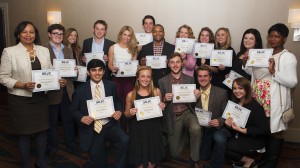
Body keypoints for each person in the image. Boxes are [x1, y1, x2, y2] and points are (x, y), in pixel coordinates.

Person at [243, 23, 298, 168]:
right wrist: (246, 63)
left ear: (284, 38)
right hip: (259, 98)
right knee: (264, 129)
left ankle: (271, 163)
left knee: (276, 132)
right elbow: (255, 74)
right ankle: (264, 158)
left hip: (274, 101)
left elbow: (292, 82)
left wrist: (274, 72)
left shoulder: (288, 57)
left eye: (277, 36)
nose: (273, 39)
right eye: (271, 36)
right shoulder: (263, 53)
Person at [0, 21, 52, 168]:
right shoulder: (9, 52)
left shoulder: (43, 50)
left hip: (41, 97)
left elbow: (49, 71)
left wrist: (56, 80)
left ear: (35, 34)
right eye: (24, 32)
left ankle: (41, 161)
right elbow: (3, 77)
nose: (28, 35)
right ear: (18, 34)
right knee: (24, 133)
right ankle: (25, 163)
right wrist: (22, 85)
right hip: (20, 100)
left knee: (43, 131)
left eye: (31, 32)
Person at [71, 59, 128, 168]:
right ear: (88, 72)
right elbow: (73, 110)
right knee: (98, 161)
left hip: (109, 124)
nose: (97, 73)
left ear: (104, 71)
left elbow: (118, 102)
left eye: (100, 70)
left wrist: (119, 111)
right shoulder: (80, 90)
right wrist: (81, 117)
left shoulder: (111, 85)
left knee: (125, 140)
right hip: (93, 128)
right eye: (94, 70)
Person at [158, 52, 201, 168]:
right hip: (172, 114)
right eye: (172, 62)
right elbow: (159, 103)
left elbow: (194, 101)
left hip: (186, 112)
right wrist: (164, 99)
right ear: (168, 64)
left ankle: (195, 159)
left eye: (177, 62)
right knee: (175, 153)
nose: (175, 65)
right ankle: (186, 136)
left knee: (196, 128)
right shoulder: (162, 81)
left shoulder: (190, 79)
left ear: (182, 64)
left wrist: (197, 96)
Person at [45, 23, 77, 159]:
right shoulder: (43, 50)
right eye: (55, 33)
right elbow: (42, 71)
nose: (58, 36)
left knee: (68, 119)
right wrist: (57, 79)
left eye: (60, 34)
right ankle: (53, 147)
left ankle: (71, 144)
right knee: (51, 121)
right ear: (49, 34)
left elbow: (71, 70)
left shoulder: (68, 50)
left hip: (67, 89)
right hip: (52, 90)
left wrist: (73, 71)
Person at [124, 66, 166, 168]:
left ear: (151, 78)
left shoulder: (156, 92)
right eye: (142, 76)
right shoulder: (131, 95)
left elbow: (160, 110)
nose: (145, 79)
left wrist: (163, 106)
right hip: (138, 131)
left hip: (153, 130)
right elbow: (126, 114)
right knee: (140, 164)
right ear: (138, 77)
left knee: (152, 163)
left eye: (148, 77)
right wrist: (131, 112)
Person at [225, 77, 268, 168]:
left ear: (247, 89)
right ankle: (248, 161)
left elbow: (264, 130)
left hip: (254, 140)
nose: (237, 91)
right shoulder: (235, 103)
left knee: (225, 147)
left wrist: (242, 130)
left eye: (240, 88)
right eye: (234, 88)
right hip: (241, 137)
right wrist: (229, 124)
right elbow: (235, 123)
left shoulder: (255, 107)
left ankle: (250, 160)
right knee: (221, 143)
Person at [195, 66, 229, 168]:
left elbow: (226, 114)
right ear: (197, 78)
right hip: (200, 129)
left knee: (220, 140)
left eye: (205, 76)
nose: (202, 78)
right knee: (203, 156)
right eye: (200, 76)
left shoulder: (222, 93)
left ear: (210, 77)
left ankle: (215, 165)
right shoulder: (192, 93)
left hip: (216, 128)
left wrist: (219, 121)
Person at [108, 26, 138, 131]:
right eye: (124, 34)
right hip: (116, 80)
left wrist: (136, 68)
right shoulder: (113, 47)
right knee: (116, 103)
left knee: (127, 104)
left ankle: (126, 129)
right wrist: (112, 68)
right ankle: (116, 129)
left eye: (129, 35)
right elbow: (110, 64)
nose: (126, 37)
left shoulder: (133, 49)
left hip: (129, 81)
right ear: (121, 34)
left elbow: (134, 65)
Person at [213, 27, 237, 96]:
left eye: (223, 35)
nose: (220, 37)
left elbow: (234, 69)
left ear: (227, 37)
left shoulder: (230, 50)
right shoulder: (215, 50)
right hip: (215, 82)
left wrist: (225, 69)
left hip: (225, 84)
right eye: (218, 35)